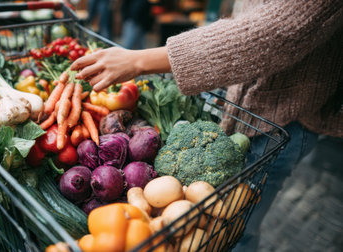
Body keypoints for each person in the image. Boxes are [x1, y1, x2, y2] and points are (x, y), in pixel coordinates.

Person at [72, 0, 343, 250]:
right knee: (223, 227)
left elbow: (275, 33)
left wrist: (138, 60)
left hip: (282, 121)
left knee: (238, 230)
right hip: (241, 106)